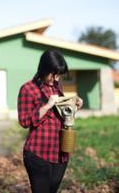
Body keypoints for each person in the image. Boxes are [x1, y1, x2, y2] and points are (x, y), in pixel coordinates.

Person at [17, 50, 83, 193]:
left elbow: (62, 117)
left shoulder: (57, 87)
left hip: (60, 154)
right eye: (54, 74)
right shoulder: (28, 89)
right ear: (44, 69)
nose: (57, 78)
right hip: (38, 154)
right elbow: (24, 122)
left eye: (59, 75)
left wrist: (74, 106)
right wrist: (47, 105)